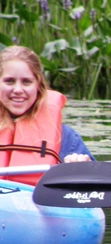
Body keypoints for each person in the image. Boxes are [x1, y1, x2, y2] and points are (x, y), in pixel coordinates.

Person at [0, 45, 93, 185]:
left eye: (26, 82)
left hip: (39, 203)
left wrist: (83, 170)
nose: (18, 90)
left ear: (38, 86)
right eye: (9, 81)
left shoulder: (66, 138)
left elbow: (96, 188)